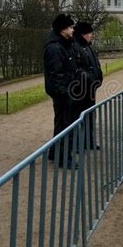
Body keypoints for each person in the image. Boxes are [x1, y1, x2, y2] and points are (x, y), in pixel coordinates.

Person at [43, 13, 78, 167]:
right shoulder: (55, 48)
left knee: (61, 123)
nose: (72, 31)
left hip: (66, 90)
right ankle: (64, 158)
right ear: (62, 29)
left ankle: (54, 152)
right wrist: (65, 93)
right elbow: (56, 74)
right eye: (70, 27)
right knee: (65, 124)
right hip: (63, 92)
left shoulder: (63, 44)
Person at [72, 21, 104, 149]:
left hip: (90, 88)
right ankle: (79, 143)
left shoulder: (88, 46)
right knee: (80, 116)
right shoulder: (75, 47)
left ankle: (89, 141)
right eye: (89, 33)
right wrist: (90, 79)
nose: (91, 35)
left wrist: (98, 78)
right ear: (83, 34)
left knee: (90, 115)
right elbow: (78, 69)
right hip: (80, 89)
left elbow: (95, 64)